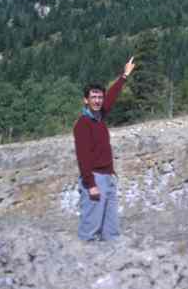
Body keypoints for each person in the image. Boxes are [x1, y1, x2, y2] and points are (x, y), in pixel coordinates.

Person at [73, 56, 135, 241]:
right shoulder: (83, 124)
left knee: (112, 230)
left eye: (100, 97)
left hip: (109, 179)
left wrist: (124, 76)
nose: (98, 100)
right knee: (90, 230)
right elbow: (83, 158)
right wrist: (91, 184)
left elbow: (112, 97)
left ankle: (111, 265)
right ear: (86, 100)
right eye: (94, 97)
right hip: (95, 180)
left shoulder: (100, 117)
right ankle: (84, 264)